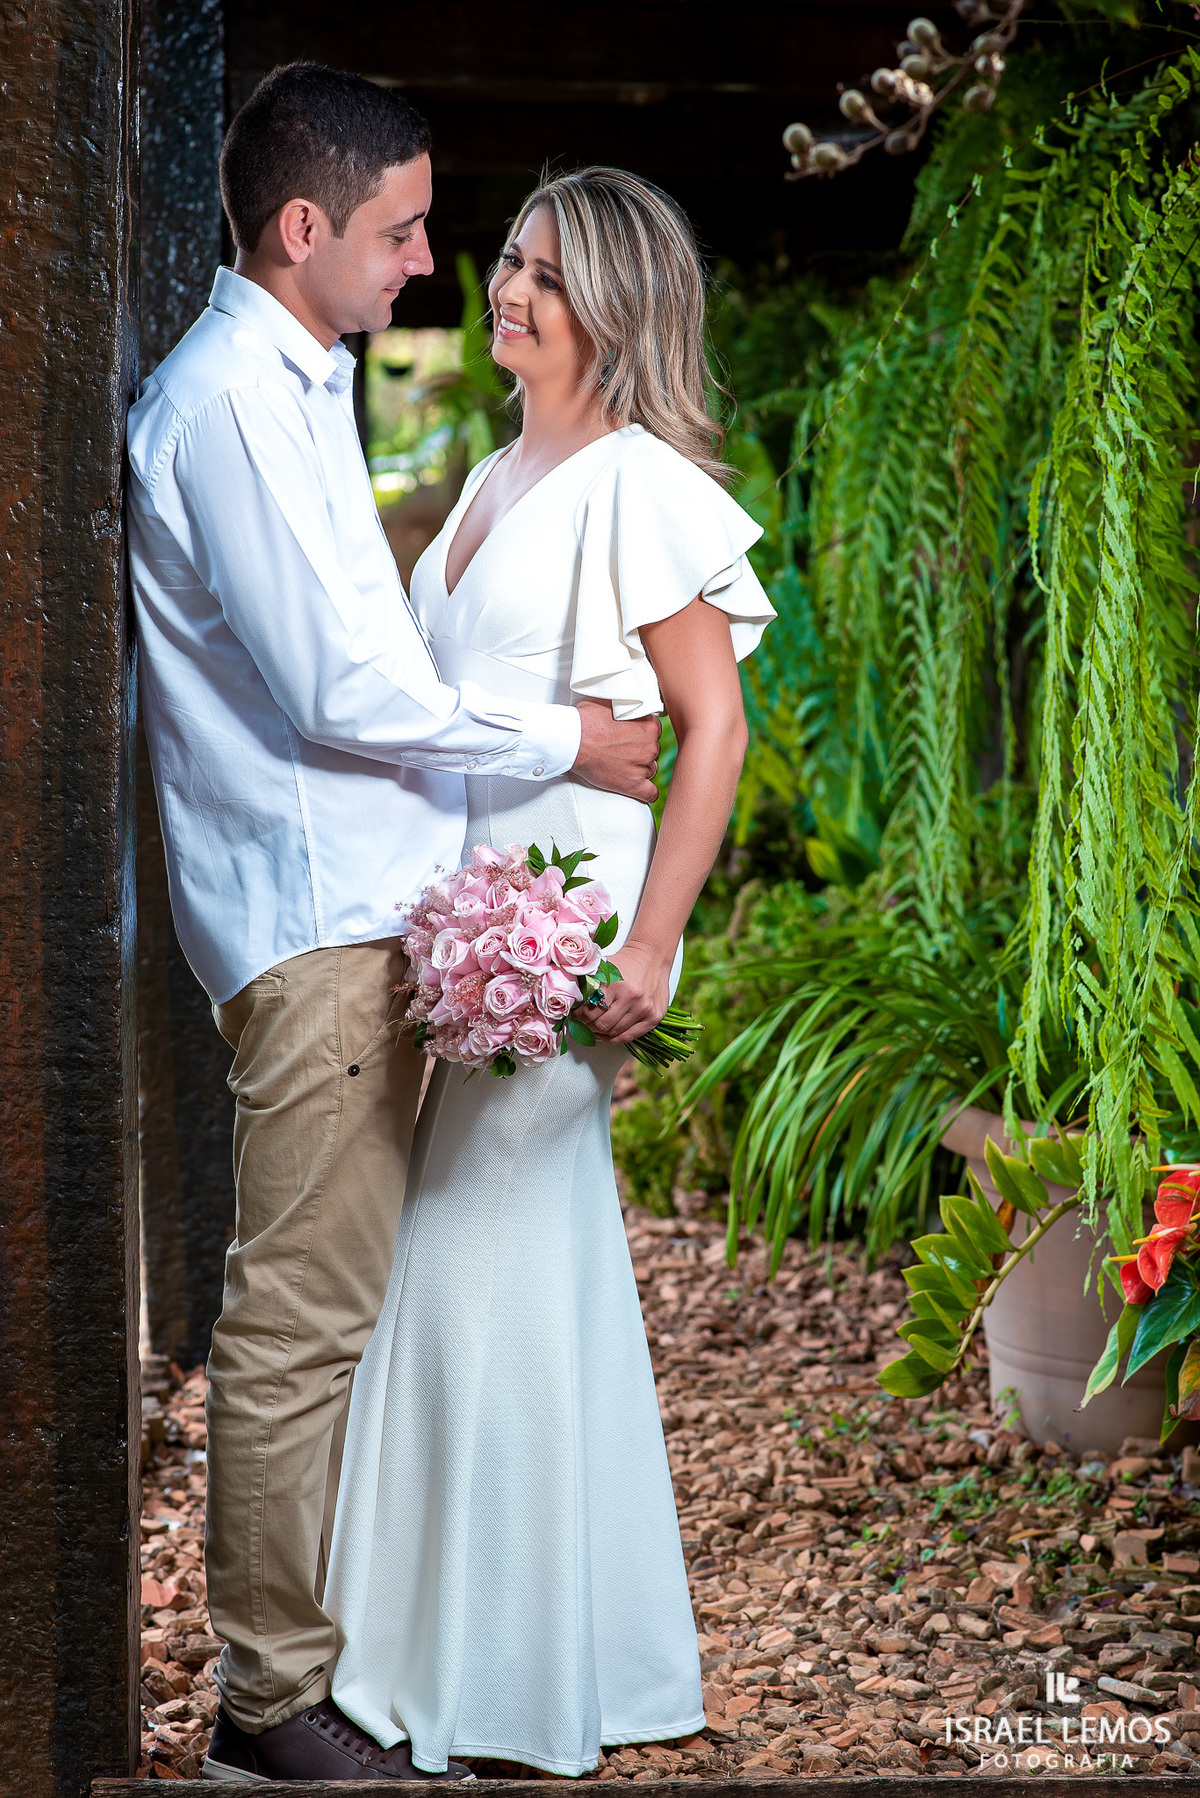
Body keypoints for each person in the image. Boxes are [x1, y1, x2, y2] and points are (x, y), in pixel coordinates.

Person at [126, 64, 661, 1785]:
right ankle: (267, 1706)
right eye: (404, 230)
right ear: (305, 228)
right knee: (300, 1322)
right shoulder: (230, 404)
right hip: (318, 928)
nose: (434, 262)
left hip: (363, 917)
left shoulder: (299, 385)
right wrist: (568, 739)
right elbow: (344, 690)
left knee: (339, 1307)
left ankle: (347, 1659)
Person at [321, 168, 775, 1778]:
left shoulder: (636, 484)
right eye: (512, 259)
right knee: (494, 1264)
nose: (510, 289)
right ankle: (525, 1654)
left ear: (619, 311)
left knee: (471, 1254)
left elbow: (713, 727)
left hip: (560, 916)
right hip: (461, 911)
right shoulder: (490, 474)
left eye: (551, 277)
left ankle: (475, 1675)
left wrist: (649, 937)